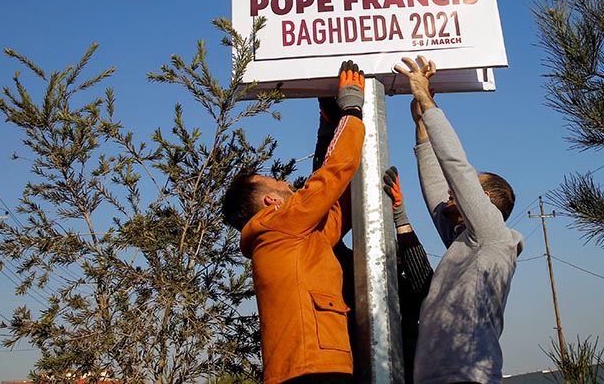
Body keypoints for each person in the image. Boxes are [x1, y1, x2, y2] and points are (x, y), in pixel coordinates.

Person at [221, 61, 367, 384]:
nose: (289, 185)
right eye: (279, 183)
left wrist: (331, 129)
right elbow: (331, 176)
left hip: (314, 365)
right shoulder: (279, 224)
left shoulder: (290, 239)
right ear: (270, 202)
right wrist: (352, 110)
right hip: (312, 369)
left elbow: (336, 207)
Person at [394, 56, 523, 384]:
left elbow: (456, 166)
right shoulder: (465, 242)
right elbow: (436, 188)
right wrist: (421, 121)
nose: (455, 190)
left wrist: (426, 99)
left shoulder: (492, 235)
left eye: (468, 189)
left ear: (487, 202)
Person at [382, 166, 433, 384]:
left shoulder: (410, 291)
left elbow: (423, 279)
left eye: (398, 249)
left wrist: (400, 214)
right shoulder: (353, 280)